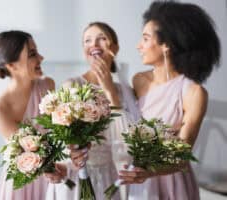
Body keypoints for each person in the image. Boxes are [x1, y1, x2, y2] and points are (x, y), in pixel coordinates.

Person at [119, 1, 221, 200]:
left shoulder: (194, 93)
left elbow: (182, 157)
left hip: (173, 181)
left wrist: (150, 171)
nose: (139, 45)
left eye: (146, 38)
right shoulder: (139, 81)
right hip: (139, 181)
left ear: (167, 45)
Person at [44, 22, 140, 200]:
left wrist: (110, 90)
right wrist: (71, 153)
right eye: (87, 41)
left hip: (108, 177)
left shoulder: (124, 92)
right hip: (76, 174)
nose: (93, 45)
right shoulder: (72, 85)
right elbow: (59, 135)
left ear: (115, 48)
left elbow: (128, 143)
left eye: (101, 38)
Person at [0, 30, 55, 200]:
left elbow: (60, 134)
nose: (41, 58)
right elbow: (31, 150)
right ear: (11, 65)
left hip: (54, 175)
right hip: (23, 182)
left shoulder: (48, 85)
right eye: (33, 54)